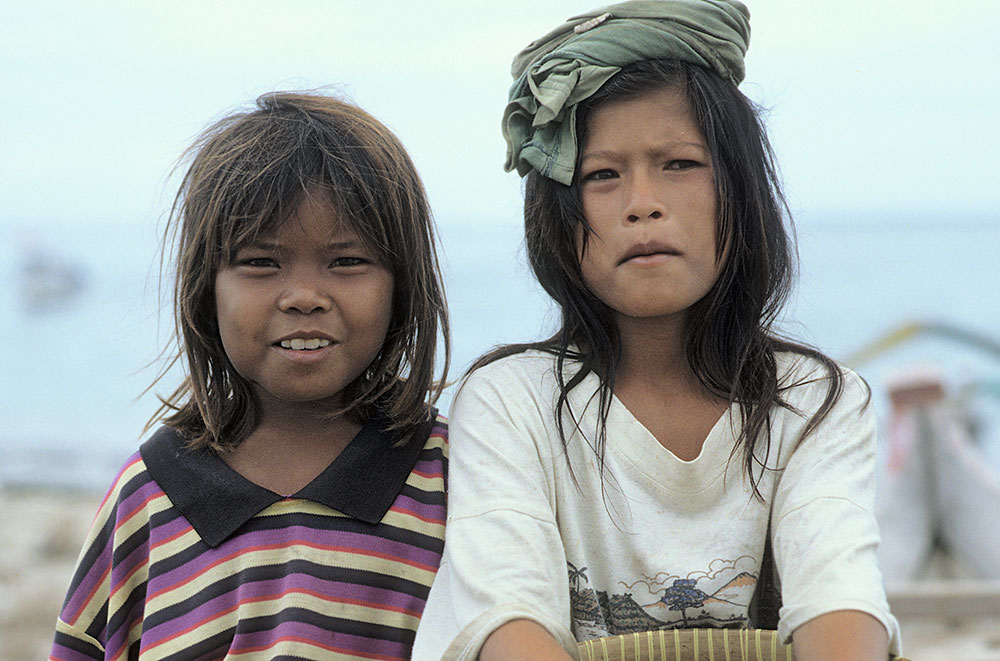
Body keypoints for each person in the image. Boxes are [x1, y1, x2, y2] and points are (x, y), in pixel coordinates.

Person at [412, 1, 901, 659]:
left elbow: (841, 603)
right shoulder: (509, 401)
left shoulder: (814, 400)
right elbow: (508, 621)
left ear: (739, 187)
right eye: (602, 175)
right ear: (557, 214)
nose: (642, 202)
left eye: (678, 163)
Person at [50, 92, 450, 660]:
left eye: (347, 262)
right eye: (261, 263)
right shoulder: (148, 497)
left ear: (401, 286)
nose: (305, 297)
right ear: (205, 289)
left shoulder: (449, 480)